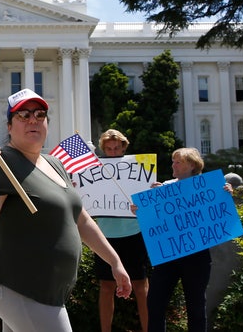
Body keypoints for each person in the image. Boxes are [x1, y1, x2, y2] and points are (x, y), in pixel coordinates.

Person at [0, 88, 133, 332]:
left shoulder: (55, 164)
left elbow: (81, 220)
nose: (33, 120)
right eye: (23, 115)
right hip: (21, 288)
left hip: (47, 293)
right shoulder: (3, 161)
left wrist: (114, 261)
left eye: (39, 114)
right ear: (9, 126)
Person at [144, 148, 233, 332]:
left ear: (192, 165)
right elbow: (153, 219)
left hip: (196, 256)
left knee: (196, 306)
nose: (173, 165)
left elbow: (219, 215)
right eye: (173, 161)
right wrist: (142, 208)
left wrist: (226, 194)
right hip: (168, 254)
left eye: (178, 162)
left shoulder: (208, 187)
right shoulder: (164, 187)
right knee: (154, 303)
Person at [94, 129, 150, 332]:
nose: (113, 151)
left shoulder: (139, 168)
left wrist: (151, 192)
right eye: (108, 148)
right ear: (103, 149)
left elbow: (149, 198)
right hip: (105, 236)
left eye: (117, 147)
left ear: (124, 147)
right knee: (107, 286)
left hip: (134, 233)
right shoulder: (95, 169)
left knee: (140, 286)